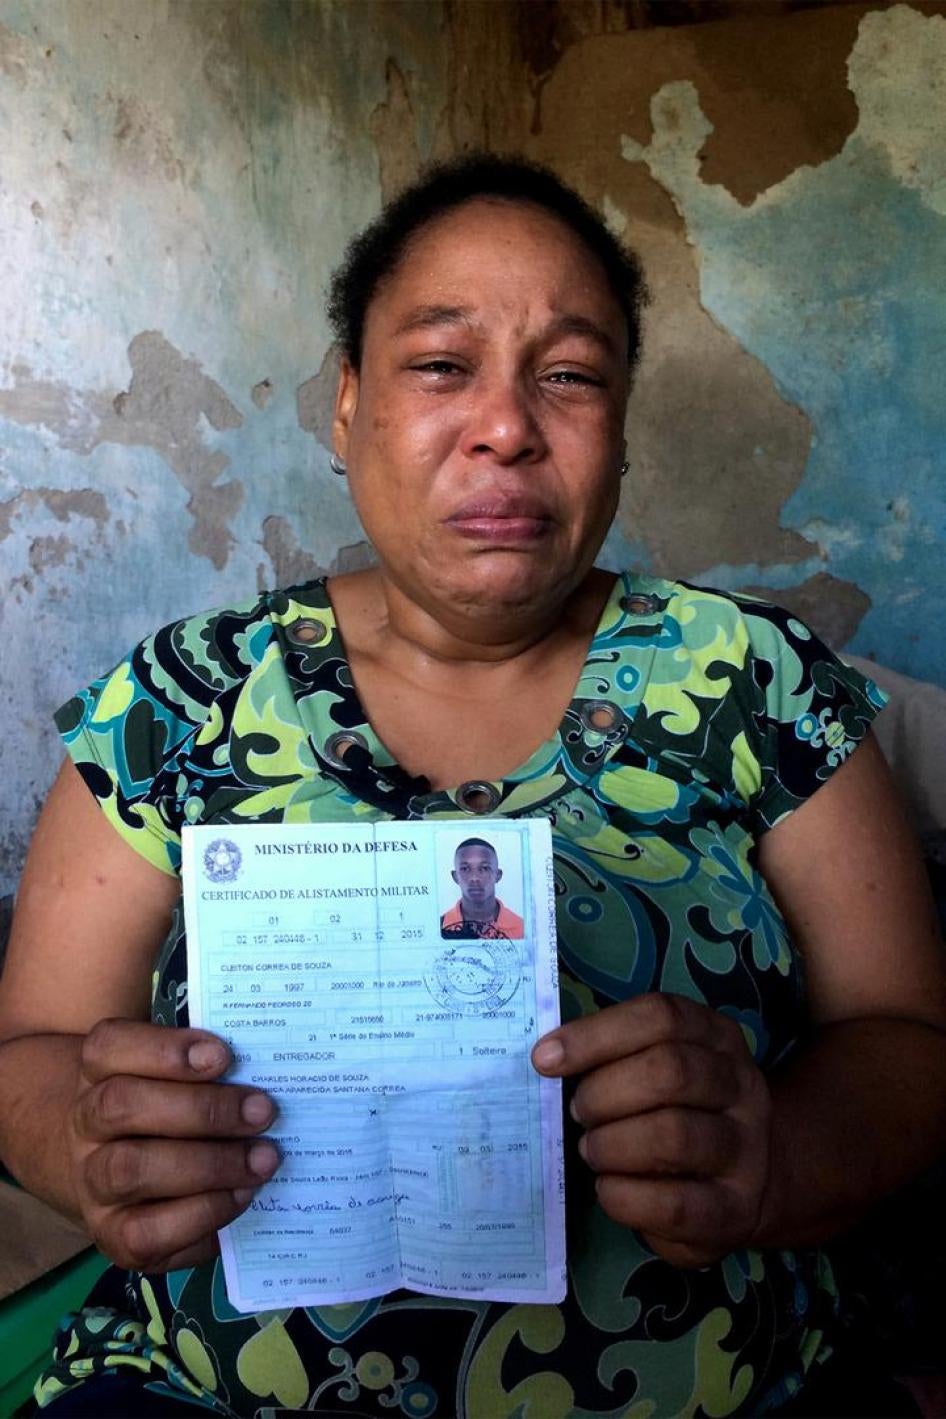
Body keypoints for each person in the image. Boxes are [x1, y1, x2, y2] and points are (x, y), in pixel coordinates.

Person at [0, 154, 944, 1419]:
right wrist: (85, 1137)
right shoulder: (181, 697)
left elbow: (908, 1043)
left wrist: (773, 1155)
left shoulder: (755, 681)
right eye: (442, 365)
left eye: (569, 374)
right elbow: (30, 1052)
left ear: (617, 426)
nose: (507, 426)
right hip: (204, 1392)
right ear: (346, 408)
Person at [440, 836, 525, 938]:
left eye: (484, 868)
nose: (475, 878)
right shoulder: (439, 929)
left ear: (498, 875)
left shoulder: (523, 929)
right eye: (465, 869)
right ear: (455, 877)